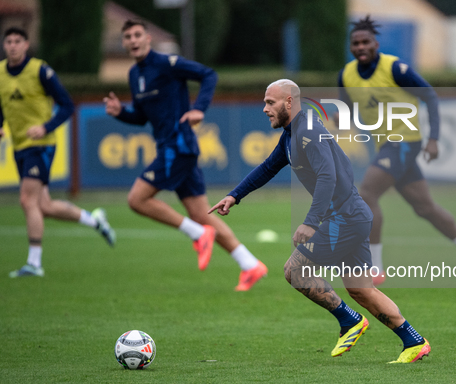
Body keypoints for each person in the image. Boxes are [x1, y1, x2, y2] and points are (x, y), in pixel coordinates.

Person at [209, 79, 431, 363]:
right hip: (354, 215)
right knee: (361, 289)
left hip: (346, 216)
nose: (265, 108)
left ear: (289, 102)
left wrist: (311, 222)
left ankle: (349, 321)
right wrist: (234, 195)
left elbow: (329, 176)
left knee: (295, 270)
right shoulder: (291, 135)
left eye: (270, 102)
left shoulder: (309, 130)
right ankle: (414, 341)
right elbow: (267, 167)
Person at [103, 20, 267, 291]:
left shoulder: (168, 63)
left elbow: (209, 74)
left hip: (177, 147)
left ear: (147, 38)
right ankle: (250, 264)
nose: (132, 40)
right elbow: (142, 116)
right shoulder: (134, 74)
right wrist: (121, 112)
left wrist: (200, 108)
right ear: (123, 43)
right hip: (173, 149)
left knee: (137, 199)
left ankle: (197, 234)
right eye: (127, 37)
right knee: (202, 213)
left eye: (137, 35)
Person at [339, 16, 456, 288]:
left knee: (367, 195)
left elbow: (429, 95)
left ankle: (374, 269)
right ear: (350, 47)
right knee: (425, 208)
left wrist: (433, 139)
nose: (361, 47)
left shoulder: (394, 68)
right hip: (386, 145)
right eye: (355, 43)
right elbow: (346, 108)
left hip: (405, 141)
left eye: (366, 42)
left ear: (376, 44)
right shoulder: (346, 75)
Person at [0, 27, 116, 278]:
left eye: (17, 41)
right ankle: (95, 221)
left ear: (26, 44)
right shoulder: (0, 73)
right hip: (19, 145)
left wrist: (45, 127)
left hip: (41, 146)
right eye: (8, 41)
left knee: (26, 200)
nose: (12, 46)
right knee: (45, 206)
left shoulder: (40, 70)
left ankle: (34, 263)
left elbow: (66, 104)